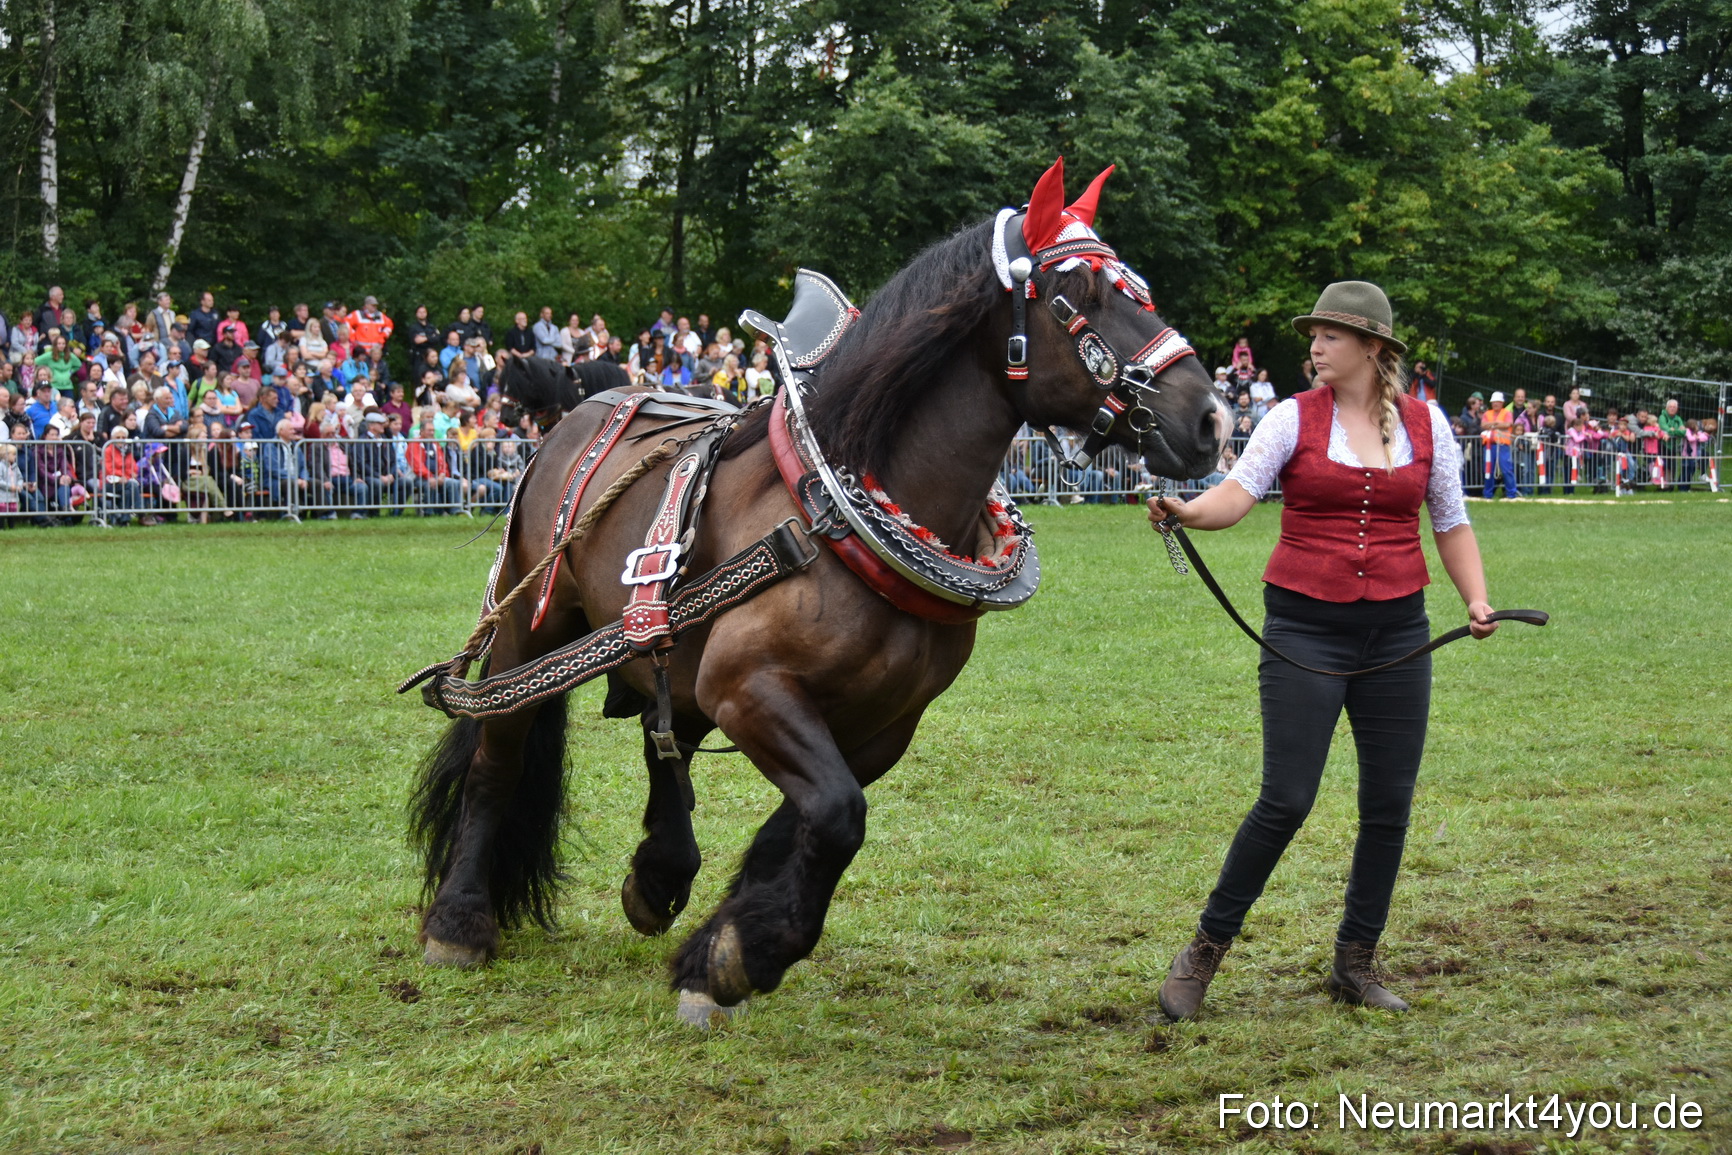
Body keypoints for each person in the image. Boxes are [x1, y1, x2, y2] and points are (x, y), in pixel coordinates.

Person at [1147, 281, 1496, 1021]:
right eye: (1314, 335)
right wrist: (1186, 510)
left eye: (1331, 335)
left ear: (1373, 347)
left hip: (1399, 634)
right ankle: (1201, 954)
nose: (1315, 345)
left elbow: (1452, 522)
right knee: (1287, 798)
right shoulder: (1289, 418)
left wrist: (1474, 598)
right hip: (1305, 630)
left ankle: (1355, 962)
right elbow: (1236, 496)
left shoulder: (1428, 425)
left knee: (1389, 805)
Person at [1480, 391, 1517, 499]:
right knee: (1488, 470)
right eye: (1494, 402)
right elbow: (1483, 425)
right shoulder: (1487, 413)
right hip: (1489, 446)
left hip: (1503, 445)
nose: (1495, 404)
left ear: (1502, 403)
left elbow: (1507, 424)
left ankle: (1511, 494)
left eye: (1498, 402)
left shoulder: (1507, 413)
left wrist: (1492, 425)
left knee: (1506, 469)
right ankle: (1488, 495)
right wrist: (1497, 424)